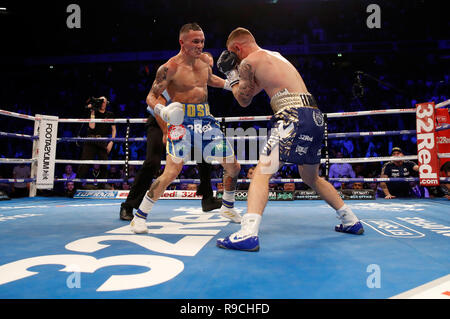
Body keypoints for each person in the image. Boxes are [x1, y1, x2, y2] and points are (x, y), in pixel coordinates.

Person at [215, 27, 364, 252]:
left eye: (231, 54)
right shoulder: (274, 56)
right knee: (310, 176)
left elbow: (243, 100)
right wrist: (232, 80)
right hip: (314, 116)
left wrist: (231, 73)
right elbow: (251, 91)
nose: (232, 59)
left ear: (237, 48)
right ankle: (350, 219)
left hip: (292, 116)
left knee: (262, 172)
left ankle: (248, 233)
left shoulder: (249, 62)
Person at [129, 23, 242, 233]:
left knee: (233, 166)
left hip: (205, 121)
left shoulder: (204, 62)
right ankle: (140, 216)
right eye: (195, 41)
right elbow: (151, 96)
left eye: (202, 41)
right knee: (172, 171)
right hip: (180, 122)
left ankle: (227, 207)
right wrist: (163, 111)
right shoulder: (169, 67)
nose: (200, 46)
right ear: (182, 42)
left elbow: (209, 80)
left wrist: (230, 85)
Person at [119, 91, 223, 220]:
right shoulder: (171, 77)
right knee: (152, 162)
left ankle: (208, 199)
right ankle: (128, 205)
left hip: (184, 123)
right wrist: (165, 131)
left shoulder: (193, 81)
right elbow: (156, 107)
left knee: (202, 153)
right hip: (159, 122)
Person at [77, 96, 116, 188]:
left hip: (102, 140)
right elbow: (92, 126)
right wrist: (93, 111)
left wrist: (111, 142)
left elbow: (114, 130)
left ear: (106, 103)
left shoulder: (110, 114)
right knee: (85, 164)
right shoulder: (93, 111)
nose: (102, 103)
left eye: (104, 102)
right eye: (101, 101)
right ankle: (76, 186)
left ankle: (101, 186)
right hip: (90, 140)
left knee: (104, 164)